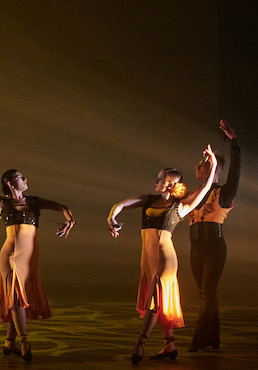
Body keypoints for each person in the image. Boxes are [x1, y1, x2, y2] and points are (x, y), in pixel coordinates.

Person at [107, 145, 217, 364]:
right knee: (160, 301)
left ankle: (141, 343)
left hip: (166, 259)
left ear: (168, 184)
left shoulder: (181, 206)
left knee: (155, 302)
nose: (156, 182)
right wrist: (111, 219)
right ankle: (169, 345)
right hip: (147, 259)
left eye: (159, 179)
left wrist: (212, 164)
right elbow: (120, 205)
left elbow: (205, 188)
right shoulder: (147, 200)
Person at [0, 137, 75, 362]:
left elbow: (64, 208)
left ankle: (9, 342)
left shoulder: (34, 202)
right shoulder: (3, 204)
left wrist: (70, 221)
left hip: (30, 258)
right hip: (10, 256)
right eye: (21, 178)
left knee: (18, 298)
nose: (26, 179)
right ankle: (23, 340)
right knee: (17, 297)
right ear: (11, 183)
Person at [188, 120, 240, 352]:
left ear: (216, 169)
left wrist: (233, 141)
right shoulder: (193, 194)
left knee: (207, 291)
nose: (200, 165)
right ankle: (213, 337)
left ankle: (200, 337)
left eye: (206, 162)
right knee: (205, 294)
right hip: (196, 247)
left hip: (214, 247)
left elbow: (236, 171)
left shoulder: (224, 192)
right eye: (201, 162)